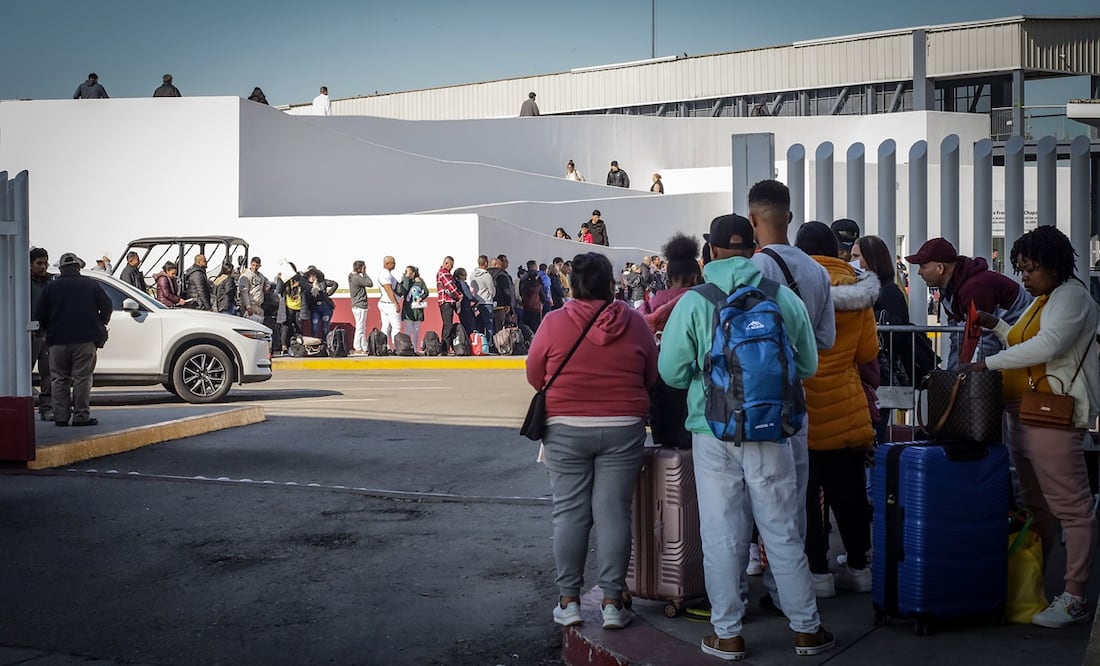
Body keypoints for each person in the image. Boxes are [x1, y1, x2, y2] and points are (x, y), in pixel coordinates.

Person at [659, 215, 834, 660]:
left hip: (713, 432)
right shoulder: (781, 297)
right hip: (773, 433)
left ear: (712, 252)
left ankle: (728, 633)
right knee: (782, 531)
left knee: (722, 535)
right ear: (753, 249)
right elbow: (809, 365)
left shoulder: (695, 302)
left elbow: (671, 374)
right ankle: (807, 630)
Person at [970, 225, 1100, 629]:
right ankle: (1036, 588)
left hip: (1051, 416)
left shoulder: (1072, 297)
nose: (1023, 276)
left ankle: (1075, 594)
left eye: (1030, 267)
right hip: (1025, 412)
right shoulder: (1045, 299)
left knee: (1072, 508)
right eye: (1020, 268)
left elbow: (1049, 345)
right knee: (1037, 505)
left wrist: (987, 363)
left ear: (1054, 265)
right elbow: (1022, 340)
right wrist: (996, 327)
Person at [527, 251, 658, 632]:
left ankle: (568, 601)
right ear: (611, 283)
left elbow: (536, 374)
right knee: (614, 513)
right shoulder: (634, 322)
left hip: (566, 427)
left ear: (573, 284)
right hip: (623, 426)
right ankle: (614, 602)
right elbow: (650, 373)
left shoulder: (553, 322)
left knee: (569, 513)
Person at [748, 179, 836, 607]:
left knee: (757, 499)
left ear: (752, 220)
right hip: (797, 397)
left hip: (756, 402)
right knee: (795, 497)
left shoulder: (754, 269)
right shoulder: (817, 271)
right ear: (790, 217)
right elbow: (825, 341)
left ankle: (774, 590)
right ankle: (791, 591)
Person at [794, 221, 879, 597]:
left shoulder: (792, 287)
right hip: (846, 407)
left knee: (808, 497)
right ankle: (860, 566)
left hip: (804, 407)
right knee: (851, 493)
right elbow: (867, 354)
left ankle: (818, 573)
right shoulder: (858, 292)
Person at [906, 237, 1030, 369]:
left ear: (940, 268)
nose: (919, 272)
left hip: (1024, 333)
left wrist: (980, 379)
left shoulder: (975, 287)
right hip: (1015, 334)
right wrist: (954, 375)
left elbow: (986, 341)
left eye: (923, 266)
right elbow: (957, 337)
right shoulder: (949, 289)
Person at [34, 253, 111, 427]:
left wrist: (49, 329)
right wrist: (100, 323)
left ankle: (60, 417)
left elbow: (39, 314)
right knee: (82, 378)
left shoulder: (51, 287)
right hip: (85, 341)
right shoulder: (91, 285)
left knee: (59, 379)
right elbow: (107, 306)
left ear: (61, 269)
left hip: (57, 341)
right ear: (78, 267)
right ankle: (81, 416)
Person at [29, 247, 54, 421]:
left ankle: (46, 408)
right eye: (39, 263)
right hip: (30, 334)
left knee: (48, 374)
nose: (43, 267)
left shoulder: (51, 283)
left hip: (48, 334)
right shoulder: (23, 283)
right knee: (24, 374)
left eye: (45, 263)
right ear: (30, 264)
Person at [436, 257, 462, 354]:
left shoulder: (442, 273)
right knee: (448, 325)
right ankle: (444, 349)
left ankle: (444, 348)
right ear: (446, 263)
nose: (452, 267)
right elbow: (450, 286)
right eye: (451, 265)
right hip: (446, 302)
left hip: (445, 302)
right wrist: (459, 295)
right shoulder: (444, 273)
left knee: (446, 325)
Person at [348, 260, 375, 354]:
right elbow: (370, 284)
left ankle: (364, 346)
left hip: (356, 305)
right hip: (360, 305)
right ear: (360, 268)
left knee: (362, 326)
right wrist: (365, 273)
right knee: (360, 327)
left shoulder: (351, 276)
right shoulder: (357, 278)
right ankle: (357, 347)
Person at [400, 265, 429, 348]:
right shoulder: (405, 281)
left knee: (416, 330)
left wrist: (421, 297)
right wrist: (406, 278)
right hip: (408, 309)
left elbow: (426, 292)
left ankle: (415, 348)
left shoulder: (420, 281)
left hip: (417, 309)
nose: (408, 274)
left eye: (409, 272)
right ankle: (406, 347)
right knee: (408, 329)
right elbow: (403, 291)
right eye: (406, 272)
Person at [305, 267, 338, 339]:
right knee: (315, 325)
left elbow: (335, 284)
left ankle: (325, 343)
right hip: (314, 308)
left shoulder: (323, 282)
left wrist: (328, 294)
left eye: (313, 275)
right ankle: (314, 344)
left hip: (325, 306)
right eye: (310, 275)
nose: (312, 277)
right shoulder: (307, 285)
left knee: (325, 326)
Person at [469, 255, 497, 341]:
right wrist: (492, 296)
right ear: (485, 263)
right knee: (489, 325)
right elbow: (491, 289)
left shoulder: (473, 275)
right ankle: (489, 344)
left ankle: (480, 344)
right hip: (486, 302)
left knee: (479, 325)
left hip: (476, 302)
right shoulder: (486, 275)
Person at [238, 257, 268, 324]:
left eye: (257, 265)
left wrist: (267, 286)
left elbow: (266, 281)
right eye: (253, 265)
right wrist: (248, 306)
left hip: (258, 305)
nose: (255, 267)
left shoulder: (261, 276)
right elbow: (244, 292)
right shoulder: (246, 276)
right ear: (250, 264)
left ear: (259, 266)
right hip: (250, 305)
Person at [491, 255, 515, 332]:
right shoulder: (503, 275)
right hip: (502, 306)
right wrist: (508, 304)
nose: (508, 263)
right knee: (501, 328)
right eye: (505, 261)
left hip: (487, 304)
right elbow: (507, 291)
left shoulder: (486, 274)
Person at [453, 267, 479, 337]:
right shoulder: (462, 283)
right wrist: (476, 300)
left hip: (460, 308)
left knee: (464, 327)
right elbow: (468, 296)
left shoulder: (455, 284)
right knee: (470, 327)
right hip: (466, 308)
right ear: (461, 275)